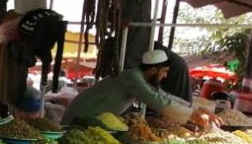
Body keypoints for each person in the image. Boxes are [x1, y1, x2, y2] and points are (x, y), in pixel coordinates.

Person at [61, 49, 220, 127]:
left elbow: (164, 96)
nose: (165, 76)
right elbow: (157, 101)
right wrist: (192, 114)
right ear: (152, 70)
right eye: (164, 72)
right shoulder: (133, 78)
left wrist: (197, 108)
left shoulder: (142, 78)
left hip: (93, 118)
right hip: (82, 115)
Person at [120, 0, 192, 102]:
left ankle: (183, 104)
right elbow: (109, 18)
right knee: (134, 79)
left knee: (179, 64)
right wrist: (119, 21)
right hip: (130, 46)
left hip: (148, 42)